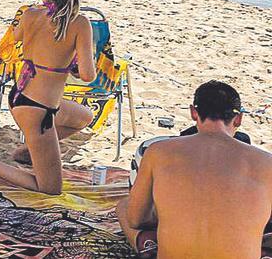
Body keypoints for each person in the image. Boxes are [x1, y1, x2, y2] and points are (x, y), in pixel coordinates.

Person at [0, 0, 96, 194]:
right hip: (37, 111)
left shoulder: (30, 14)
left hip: (22, 95)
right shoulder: (79, 22)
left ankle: (29, 150)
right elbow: (88, 75)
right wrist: (69, 65)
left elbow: (16, 38)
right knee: (51, 189)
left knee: (84, 117)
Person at [116, 81, 272, 259]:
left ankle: (148, 245)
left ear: (193, 112)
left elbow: (136, 219)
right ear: (238, 118)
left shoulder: (158, 152)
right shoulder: (266, 162)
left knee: (123, 206)